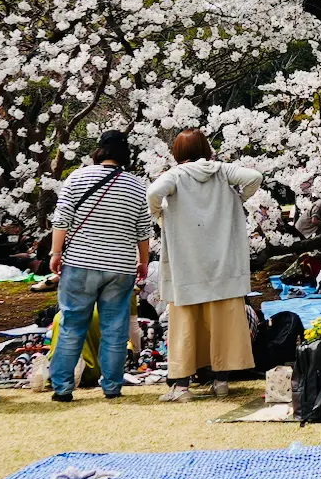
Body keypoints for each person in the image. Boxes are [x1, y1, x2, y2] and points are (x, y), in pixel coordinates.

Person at [147, 128, 261, 402]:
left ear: (179, 153)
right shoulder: (222, 171)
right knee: (223, 325)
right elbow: (255, 177)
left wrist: (160, 213)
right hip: (223, 265)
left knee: (185, 326)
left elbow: (153, 192)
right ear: (206, 148)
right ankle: (221, 383)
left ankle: (182, 387)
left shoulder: (176, 175)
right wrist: (239, 199)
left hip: (188, 265)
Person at [47, 129, 152, 402]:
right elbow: (143, 231)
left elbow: (61, 220)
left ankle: (62, 387)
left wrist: (55, 252)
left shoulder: (77, 178)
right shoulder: (137, 186)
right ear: (125, 155)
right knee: (115, 328)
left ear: (99, 151)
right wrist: (143, 262)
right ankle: (112, 386)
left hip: (80, 262)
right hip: (120, 266)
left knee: (71, 324)